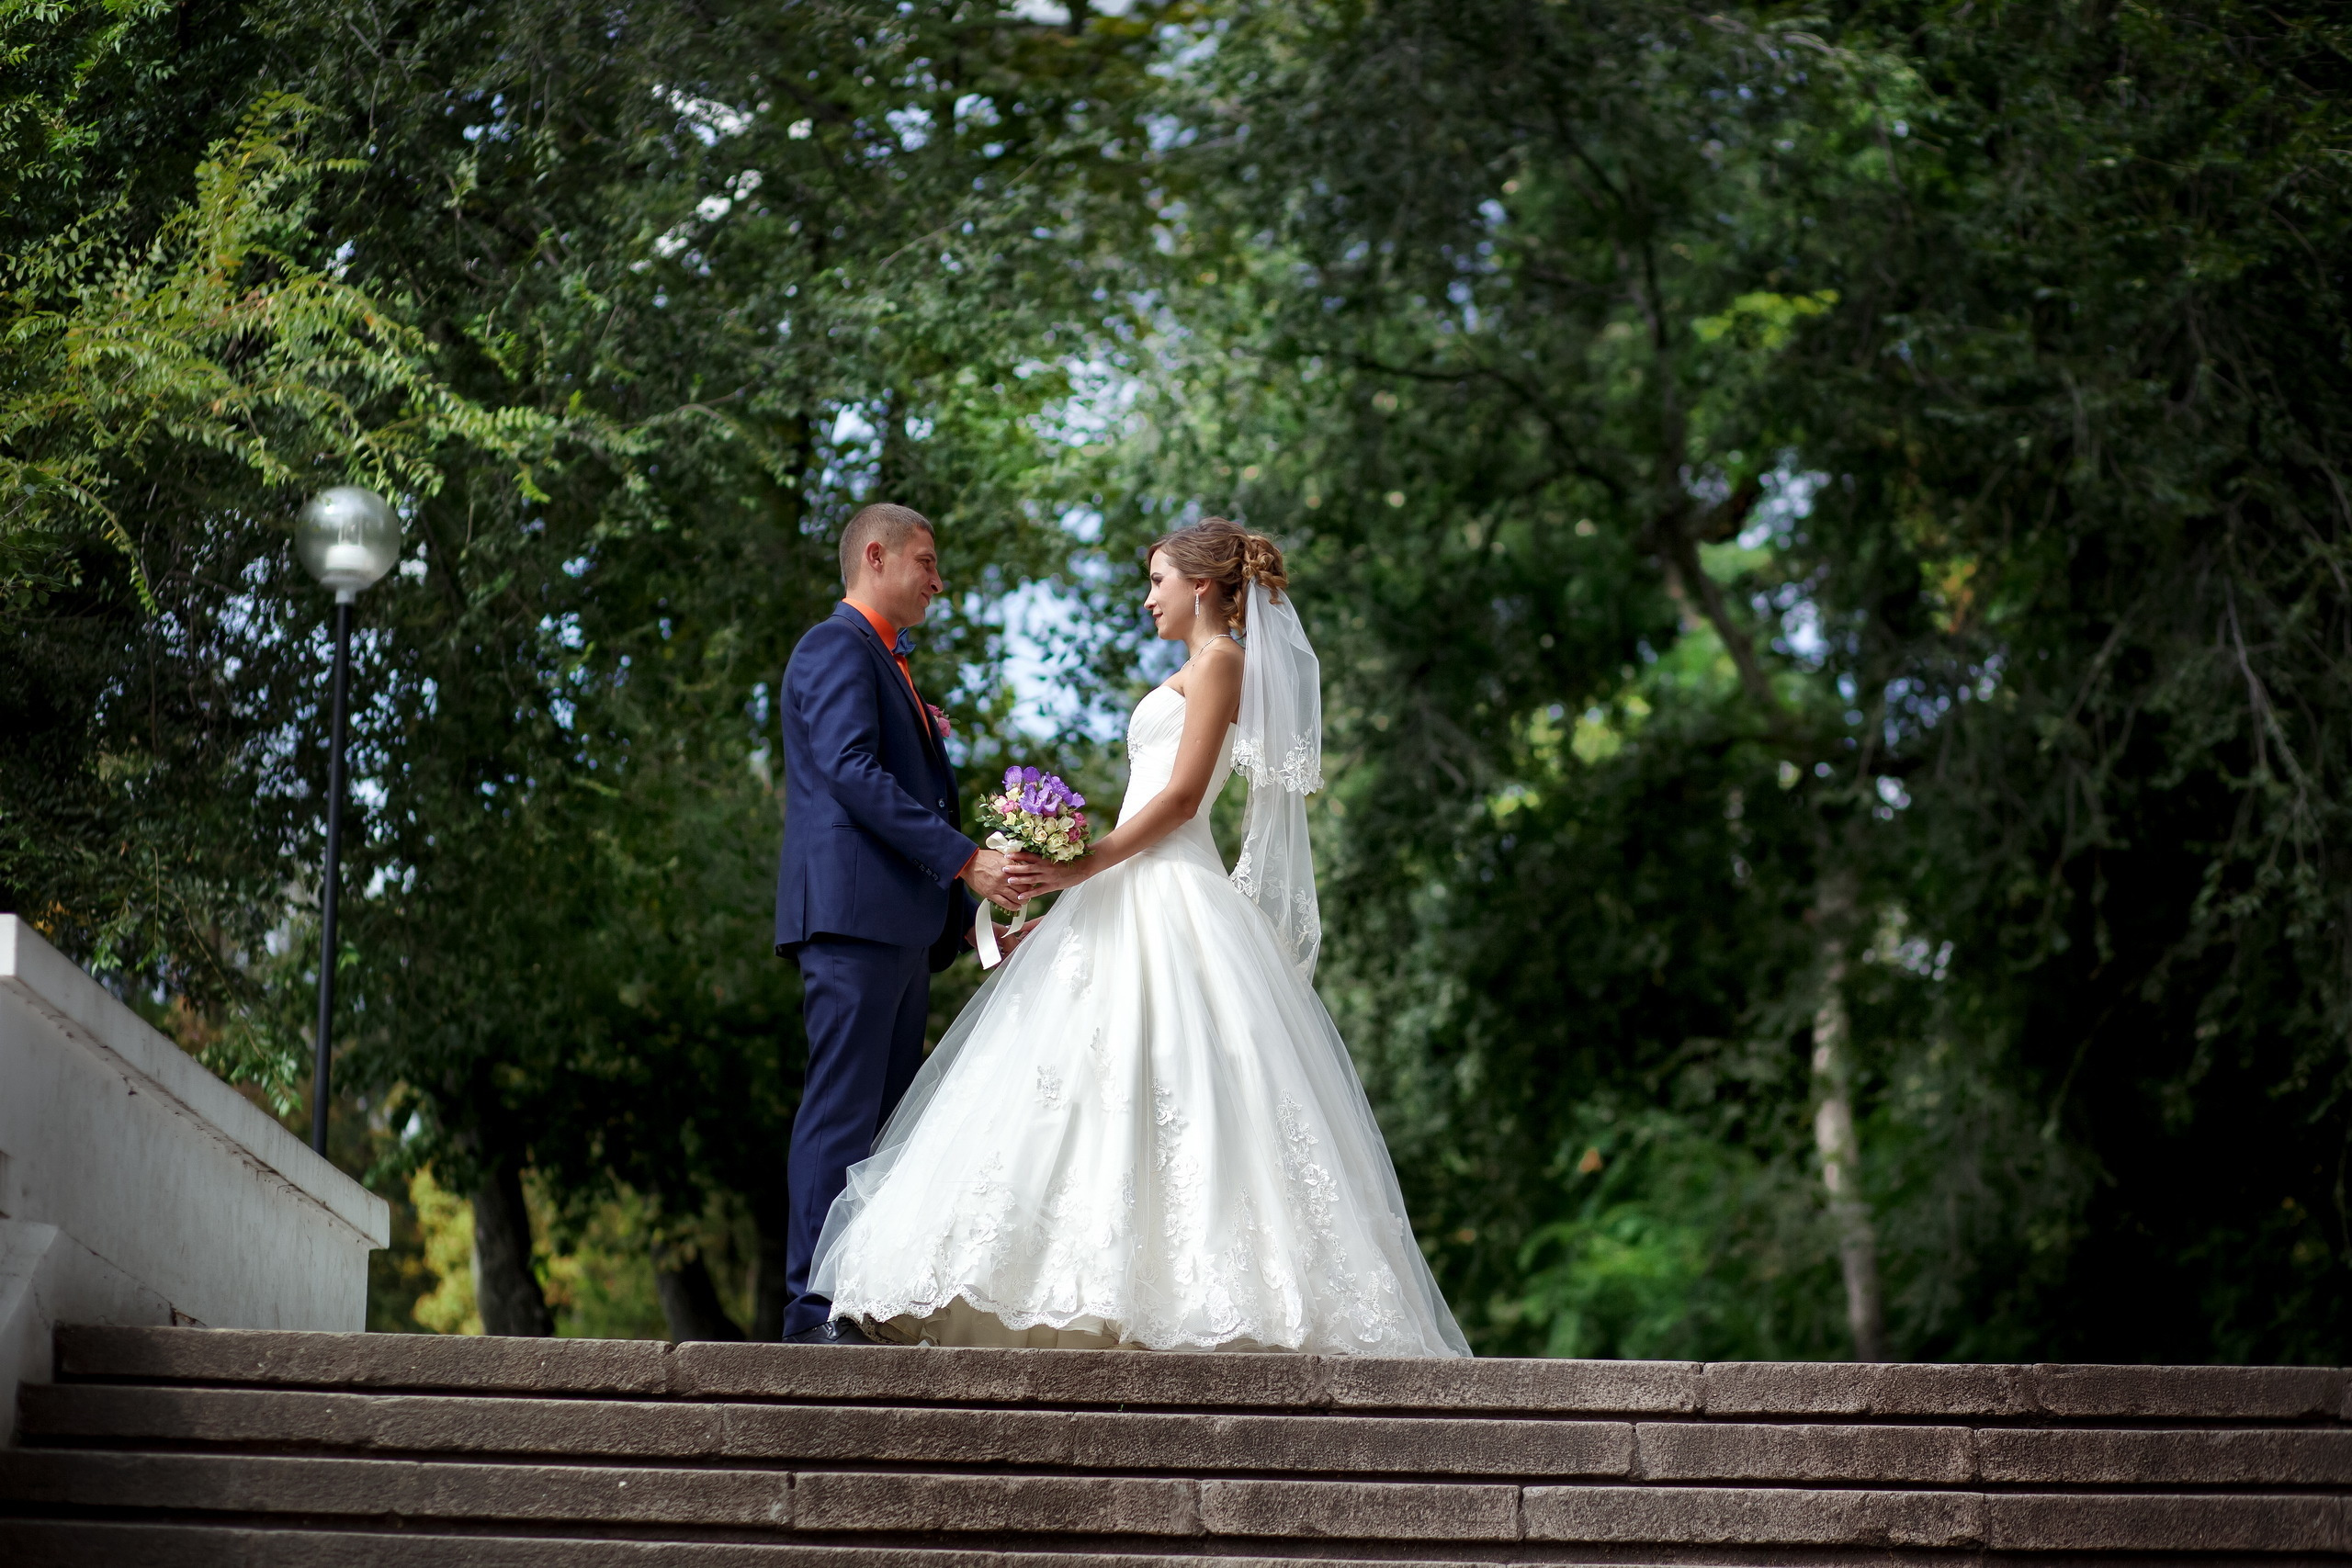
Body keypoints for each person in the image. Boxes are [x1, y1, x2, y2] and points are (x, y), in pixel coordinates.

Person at [808, 518, 1470, 1356]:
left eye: (1157, 580)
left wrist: (1082, 863)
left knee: (1181, 1086)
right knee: (1082, 1080)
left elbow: (1185, 798)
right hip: (1123, 886)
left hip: (1168, 884)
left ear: (1201, 586)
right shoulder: (1192, 668)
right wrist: (1075, 868)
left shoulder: (1224, 659)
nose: (1147, 596)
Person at [773, 502, 1019, 1345]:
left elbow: (911, 797)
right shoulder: (834, 646)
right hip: (849, 921)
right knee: (841, 1113)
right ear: (874, 555)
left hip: (902, 930)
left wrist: (965, 924)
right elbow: (850, 772)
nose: (937, 579)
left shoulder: (891, 662)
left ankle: (856, 1298)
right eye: (927, 559)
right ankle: (811, 1310)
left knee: (881, 1130)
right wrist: (965, 859)